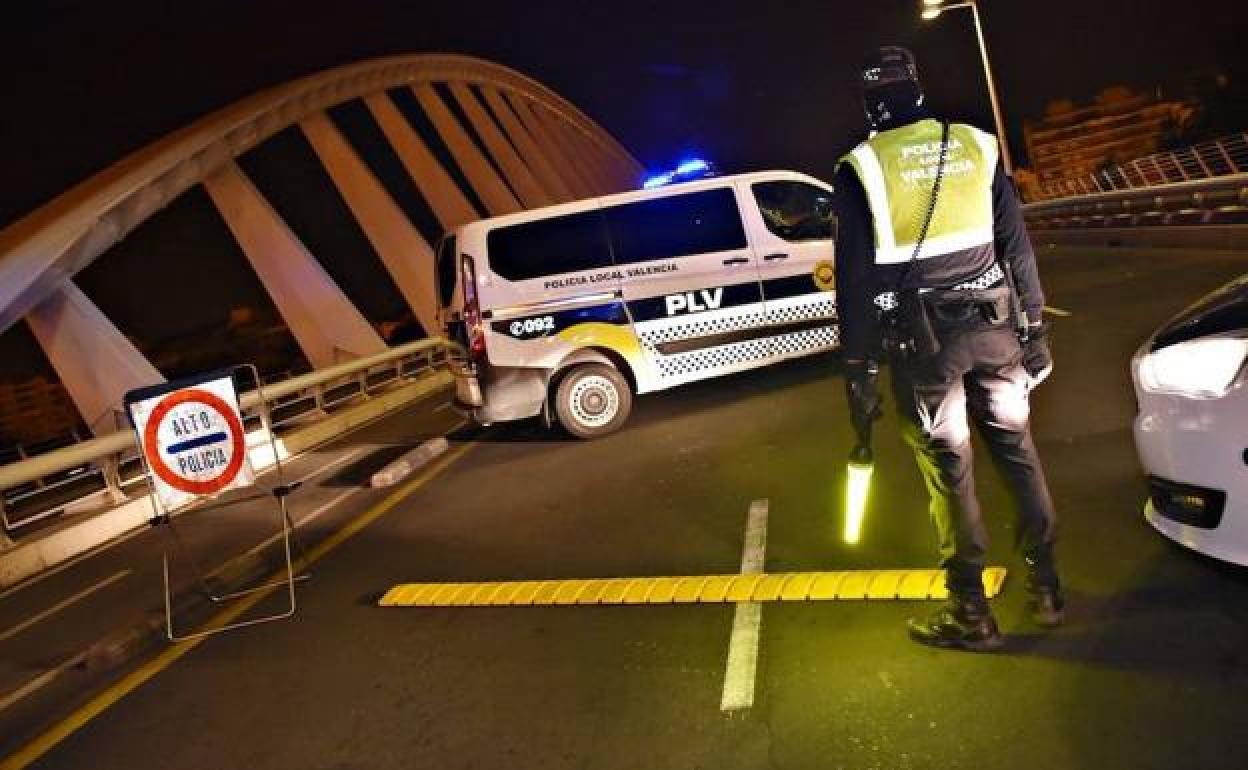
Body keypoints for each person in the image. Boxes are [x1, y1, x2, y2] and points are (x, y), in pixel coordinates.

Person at [832, 46, 1064, 652]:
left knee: (950, 470)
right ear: (917, 90)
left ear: (870, 102)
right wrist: (1034, 330)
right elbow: (1017, 248)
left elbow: (857, 282)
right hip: (995, 328)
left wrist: (859, 366)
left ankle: (970, 612)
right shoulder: (975, 144)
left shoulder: (861, 166)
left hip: (923, 344)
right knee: (1018, 452)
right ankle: (1047, 587)